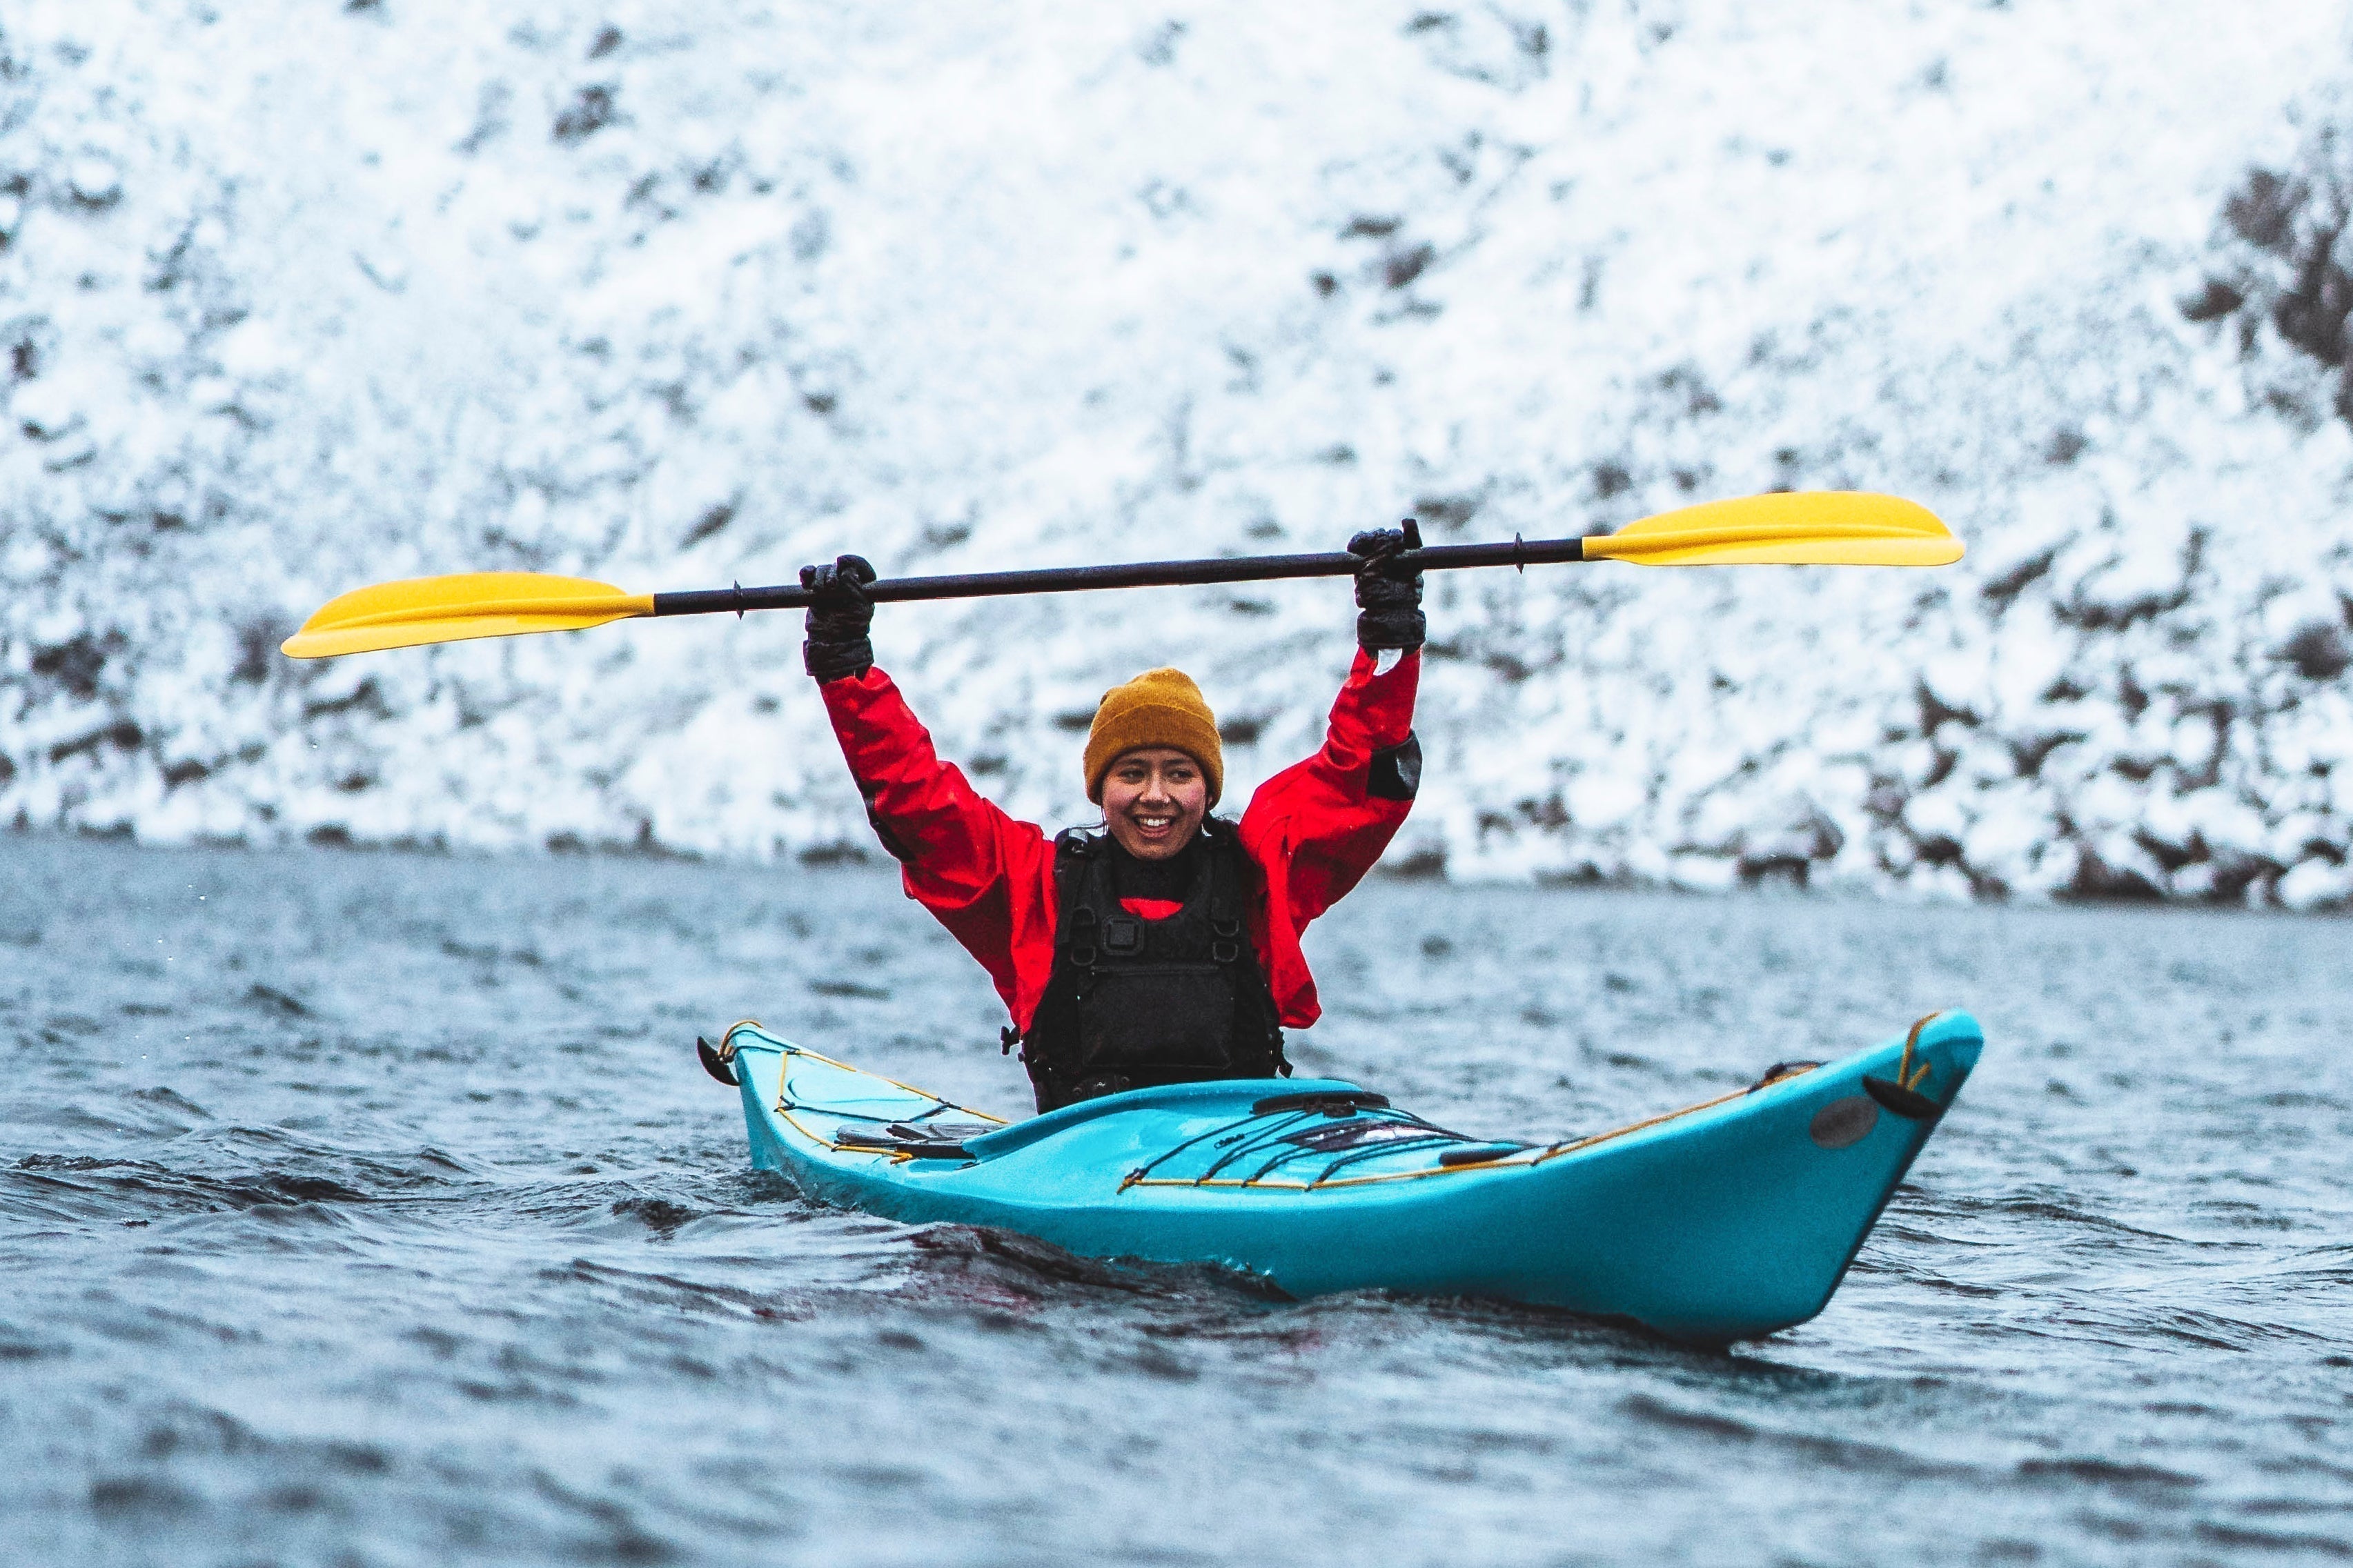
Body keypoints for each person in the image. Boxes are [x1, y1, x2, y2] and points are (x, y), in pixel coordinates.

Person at [800, 526, 1427, 1112]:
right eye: (1132, 774)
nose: (1156, 795)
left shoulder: (1264, 874)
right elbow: (920, 807)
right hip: (1079, 1163)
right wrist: (847, 668)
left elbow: (1355, 779)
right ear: (1100, 791)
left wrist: (1389, 639)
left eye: (1180, 774)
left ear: (1207, 791)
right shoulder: (1034, 888)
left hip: (1236, 1165)